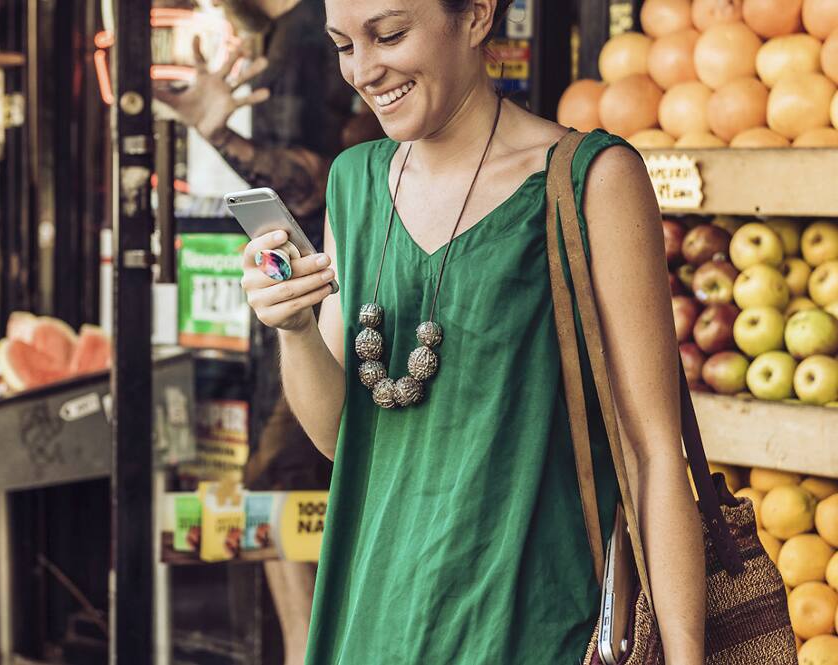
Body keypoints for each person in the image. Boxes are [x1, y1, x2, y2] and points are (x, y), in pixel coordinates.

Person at [240, 0, 707, 663]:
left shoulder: (590, 179)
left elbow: (654, 452)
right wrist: (292, 328)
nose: (364, 70)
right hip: (373, 622)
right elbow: (342, 437)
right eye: (344, 45)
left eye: (390, 34)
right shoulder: (355, 182)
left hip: (536, 629)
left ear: (478, 16)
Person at [155, 2, 363, 663]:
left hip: (338, 293)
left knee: (279, 478)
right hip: (327, 294)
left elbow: (309, 183)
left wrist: (221, 134)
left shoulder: (308, 33)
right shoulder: (294, 33)